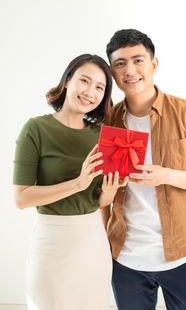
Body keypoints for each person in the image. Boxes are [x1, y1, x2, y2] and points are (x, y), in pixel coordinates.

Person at [104, 29, 186, 310]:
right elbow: (101, 188)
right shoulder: (108, 120)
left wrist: (166, 175)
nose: (130, 70)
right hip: (126, 258)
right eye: (120, 63)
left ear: (154, 65)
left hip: (182, 253)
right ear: (112, 71)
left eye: (138, 60)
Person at [13, 54, 128, 310]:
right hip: (51, 241)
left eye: (99, 87)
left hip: (93, 243)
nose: (90, 92)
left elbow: (99, 201)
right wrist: (78, 182)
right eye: (84, 81)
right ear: (67, 81)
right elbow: (21, 198)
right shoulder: (36, 129)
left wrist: (109, 192)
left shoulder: (102, 136)